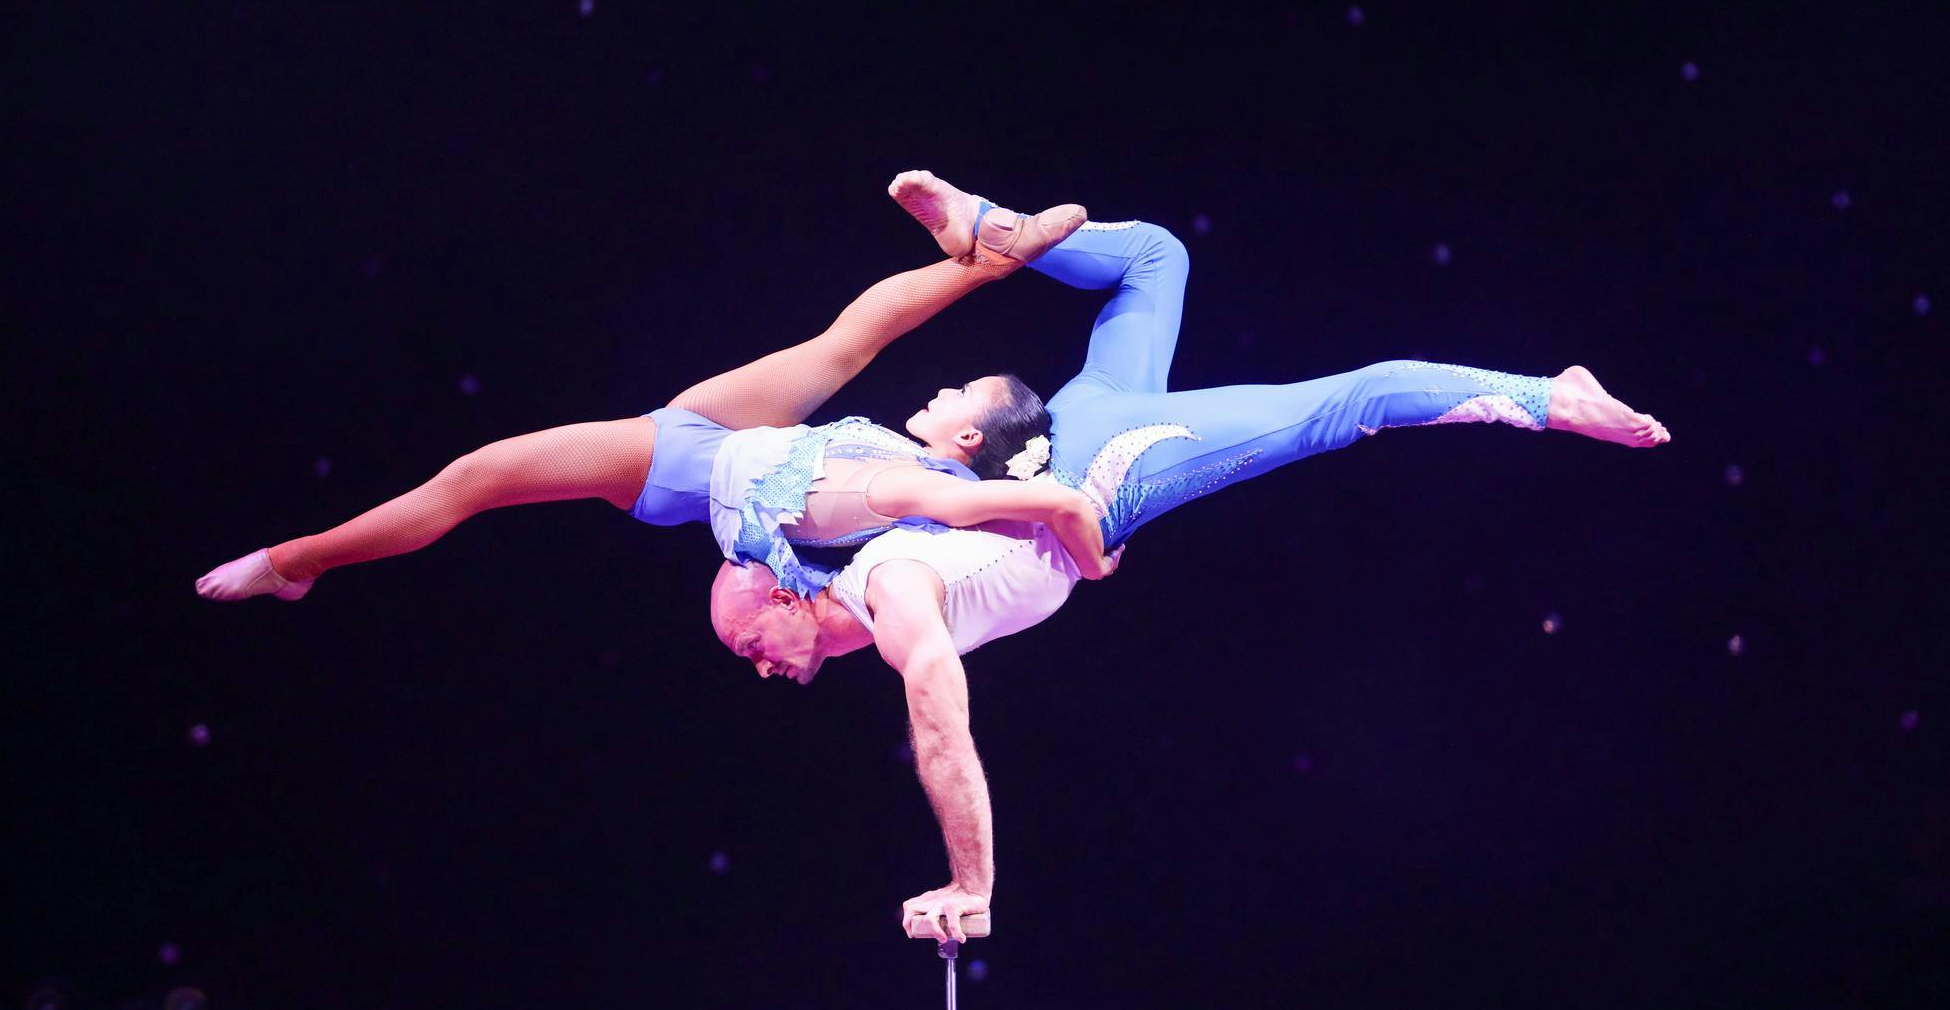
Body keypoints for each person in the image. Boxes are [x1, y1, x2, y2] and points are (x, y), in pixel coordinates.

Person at [708, 170, 1671, 940]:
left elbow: (944, 732)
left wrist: (973, 882)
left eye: (749, 639)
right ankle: (990, 223)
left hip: (1101, 467)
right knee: (1155, 259)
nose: (756, 663)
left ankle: (1552, 396)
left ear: (792, 596)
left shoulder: (890, 588)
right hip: (1076, 426)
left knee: (1354, 400)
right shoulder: (889, 554)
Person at [194, 178, 1108, 609]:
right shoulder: (915, 463)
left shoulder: (932, 490)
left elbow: (1017, 506)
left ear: (966, 441)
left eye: (963, 393)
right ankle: (991, 257)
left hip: (688, 471)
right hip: (718, 435)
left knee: (472, 479)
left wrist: (1086, 538)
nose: (946, 386)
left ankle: (295, 561)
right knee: (846, 341)